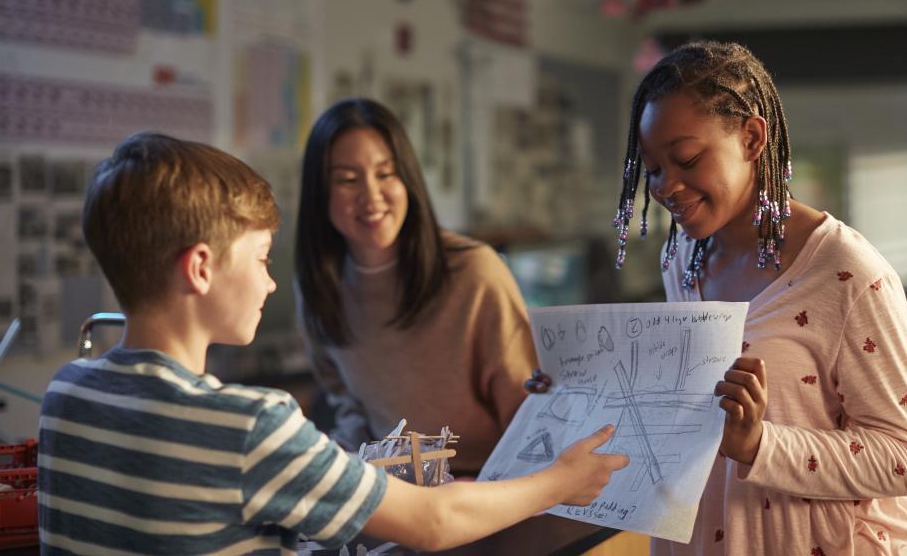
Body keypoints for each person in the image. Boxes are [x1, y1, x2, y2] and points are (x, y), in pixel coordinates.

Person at [38, 132, 628, 554]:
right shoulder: (251, 426)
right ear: (199, 268)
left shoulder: (67, 394)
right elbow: (433, 522)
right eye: (261, 260)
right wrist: (561, 481)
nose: (270, 283)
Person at [530, 41, 907, 555]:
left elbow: (906, 458)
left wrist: (761, 445)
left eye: (686, 159)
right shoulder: (683, 256)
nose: (665, 187)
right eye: (651, 169)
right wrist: (575, 395)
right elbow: (686, 412)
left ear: (751, 137)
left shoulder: (848, 274)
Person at [295, 98, 537, 475]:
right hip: (393, 494)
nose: (370, 195)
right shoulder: (319, 284)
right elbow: (344, 400)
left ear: (407, 178)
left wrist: (502, 494)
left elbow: (527, 414)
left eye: (385, 173)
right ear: (319, 194)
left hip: (487, 488)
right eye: (347, 179)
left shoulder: (474, 271)